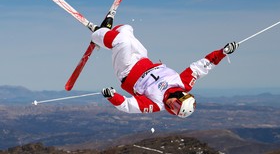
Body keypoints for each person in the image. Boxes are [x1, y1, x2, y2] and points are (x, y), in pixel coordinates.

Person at [91, 15, 238, 118]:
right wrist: (223, 52)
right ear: (181, 96)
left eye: (174, 111)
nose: (170, 108)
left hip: (127, 70)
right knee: (127, 29)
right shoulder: (183, 83)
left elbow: (129, 106)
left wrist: (112, 96)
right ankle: (107, 35)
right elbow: (203, 66)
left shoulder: (156, 104)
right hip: (143, 59)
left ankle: (98, 34)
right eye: (175, 107)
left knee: (122, 42)